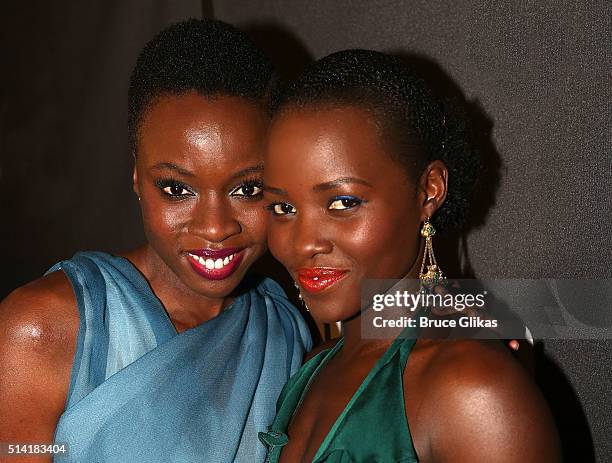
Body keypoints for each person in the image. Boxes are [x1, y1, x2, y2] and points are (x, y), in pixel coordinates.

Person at [0, 19, 311, 463]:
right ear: (136, 178)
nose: (215, 226)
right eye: (177, 189)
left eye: (247, 189)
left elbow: (409, 313)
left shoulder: (283, 324)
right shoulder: (41, 330)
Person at [260, 49, 561, 462]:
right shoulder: (310, 371)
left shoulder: (473, 389)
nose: (302, 243)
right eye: (283, 208)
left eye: (343, 202)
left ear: (428, 191)